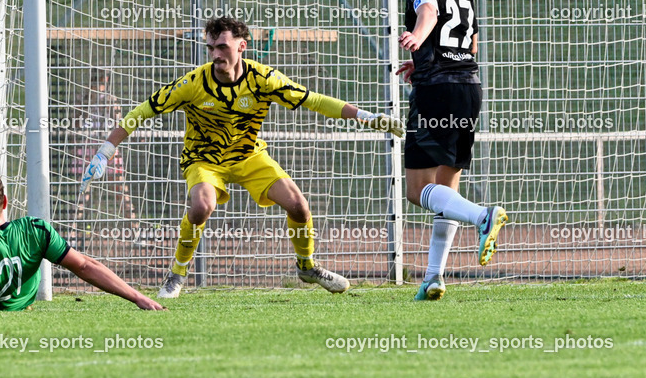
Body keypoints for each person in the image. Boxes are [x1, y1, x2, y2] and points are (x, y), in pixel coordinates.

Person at [80, 16, 404, 299]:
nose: (215, 54)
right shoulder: (193, 83)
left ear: (242, 46)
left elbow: (314, 100)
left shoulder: (263, 79)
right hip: (204, 160)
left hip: (250, 157)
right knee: (201, 206)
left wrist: (366, 116)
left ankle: (307, 267)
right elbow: (142, 111)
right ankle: (177, 273)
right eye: (211, 48)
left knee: (299, 206)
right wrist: (106, 151)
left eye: (222, 46)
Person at [388, 0, 507, 301]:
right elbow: (471, 44)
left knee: (418, 189)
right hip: (468, 89)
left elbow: (428, 14)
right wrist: (421, 60)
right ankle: (434, 278)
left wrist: (417, 39)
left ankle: (482, 217)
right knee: (445, 188)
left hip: (436, 93)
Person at [0, 167, 164, 313]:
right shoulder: (35, 229)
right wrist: (136, 296)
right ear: (5, 202)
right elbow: (85, 266)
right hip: (20, 301)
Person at [70, 70, 136, 221]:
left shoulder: (111, 99)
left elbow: (120, 122)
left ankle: (135, 228)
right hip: (88, 148)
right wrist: (86, 106)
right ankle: (71, 232)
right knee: (83, 192)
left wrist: (110, 107)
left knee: (121, 191)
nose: (100, 85)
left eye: (103, 82)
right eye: (98, 81)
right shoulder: (83, 99)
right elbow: (74, 123)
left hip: (107, 147)